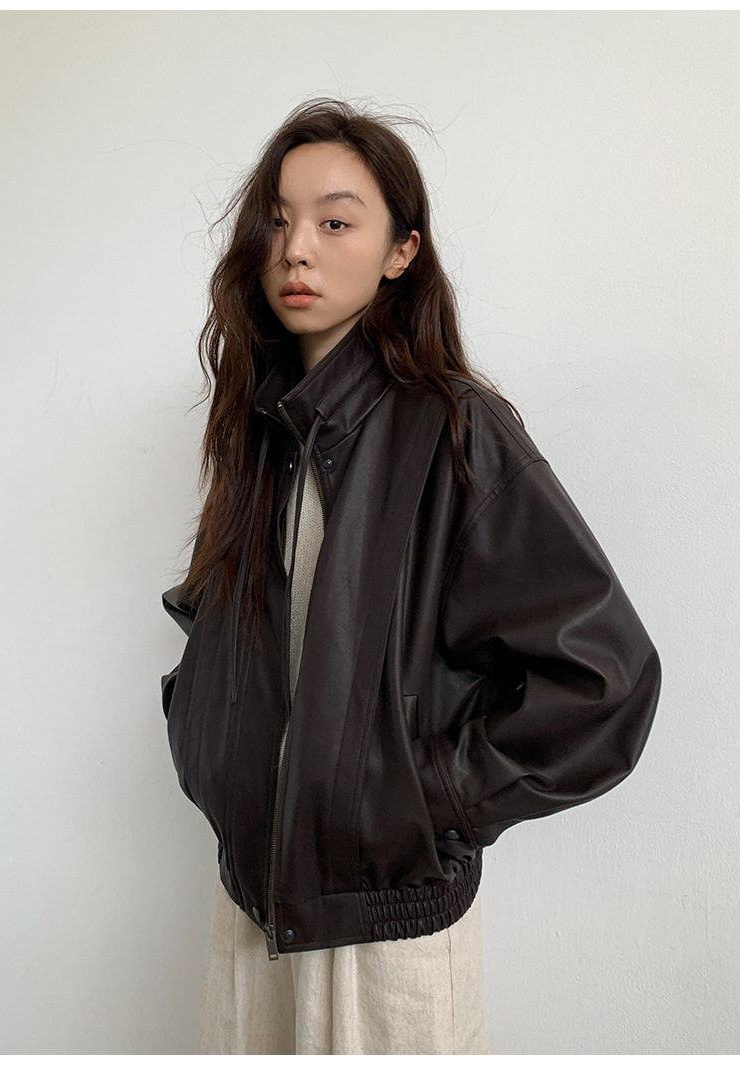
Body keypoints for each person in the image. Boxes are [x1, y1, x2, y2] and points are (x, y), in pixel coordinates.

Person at [160, 98, 661, 1056]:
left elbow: (607, 679)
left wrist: (418, 795)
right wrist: (207, 740)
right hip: (254, 912)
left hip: (386, 927)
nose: (296, 249)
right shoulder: (258, 435)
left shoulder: (457, 431)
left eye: (335, 222)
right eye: (278, 220)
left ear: (402, 252)